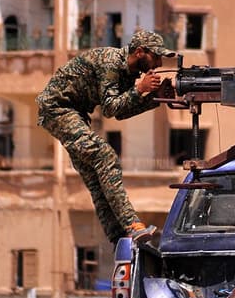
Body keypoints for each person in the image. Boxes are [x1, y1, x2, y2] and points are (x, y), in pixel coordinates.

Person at [36, 30, 176, 244]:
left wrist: (155, 99)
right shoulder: (110, 63)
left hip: (76, 113)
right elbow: (110, 108)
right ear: (139, 52)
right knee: (105, 157)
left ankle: (118, 238)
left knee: (95, 178)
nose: (157, 63)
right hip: (58, 109)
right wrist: (140, 90)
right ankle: (132, 224)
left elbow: (121, 112)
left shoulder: (129, 74)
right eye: (155, 56)